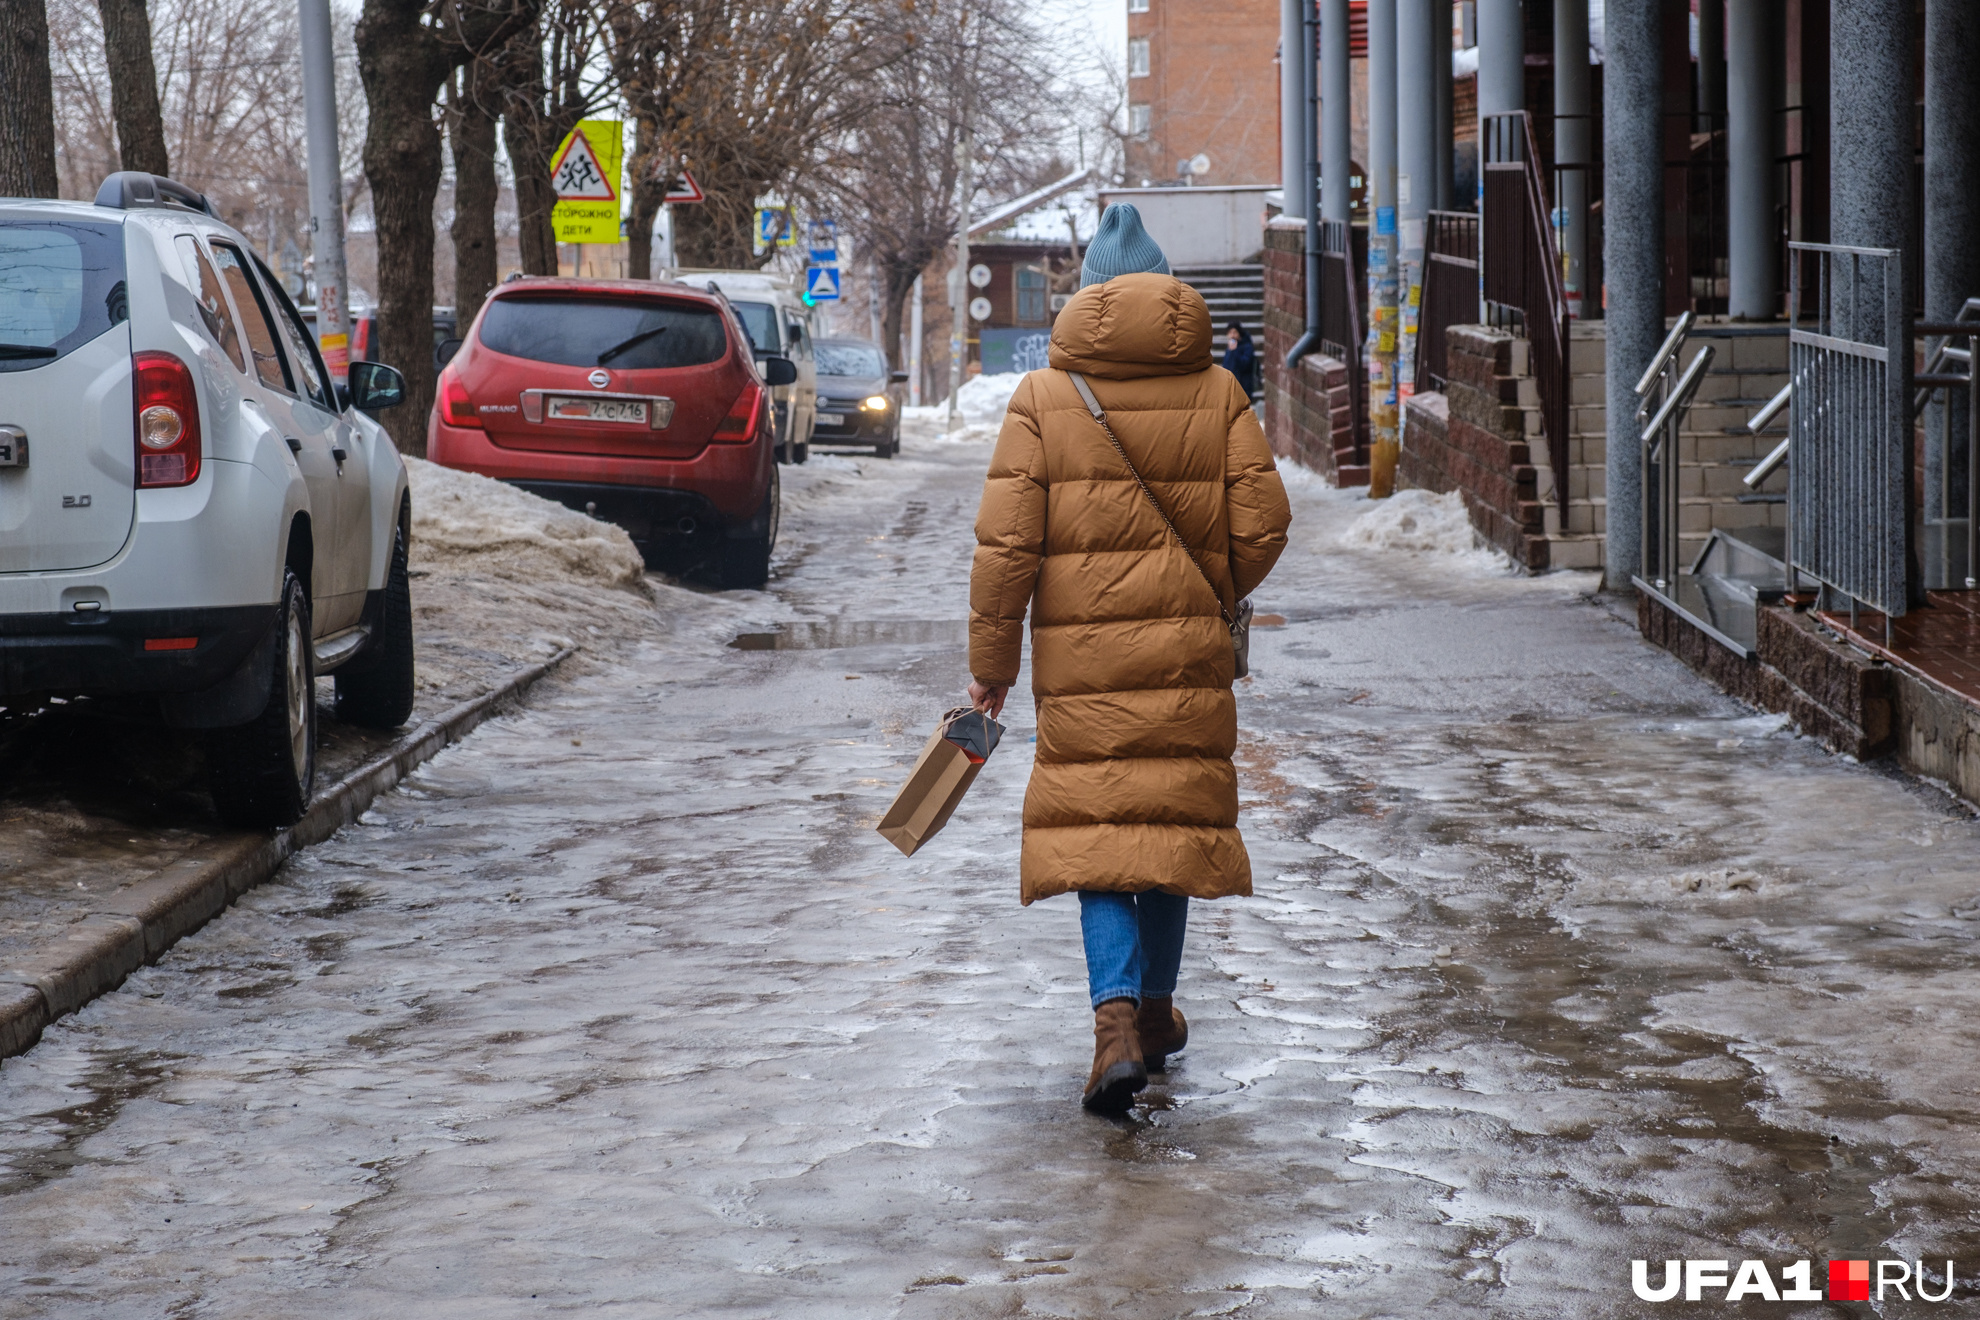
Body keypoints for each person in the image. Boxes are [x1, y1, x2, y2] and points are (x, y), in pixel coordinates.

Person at [966, 202, 1292, 1114]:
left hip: (1082, 668)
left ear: (1089, 296)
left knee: (1100, 836)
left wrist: (993, 666)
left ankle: (1112, 1025)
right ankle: (1152, 1015)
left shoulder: (1042, 398)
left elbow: (1005, 549)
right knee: (1169, 831)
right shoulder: (1219, 390)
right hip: (1189, 659)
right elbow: (1266, 521)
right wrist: (1213, 585)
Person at [1222, 321, 1258, 398]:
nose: (1232, 335)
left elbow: (1245, 364)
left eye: (1234, 332)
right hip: (1231, 385)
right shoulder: (1230, 348)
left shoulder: (1247, 346)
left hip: (1243, 385)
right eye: (1230, 333)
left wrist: (1235, 351)